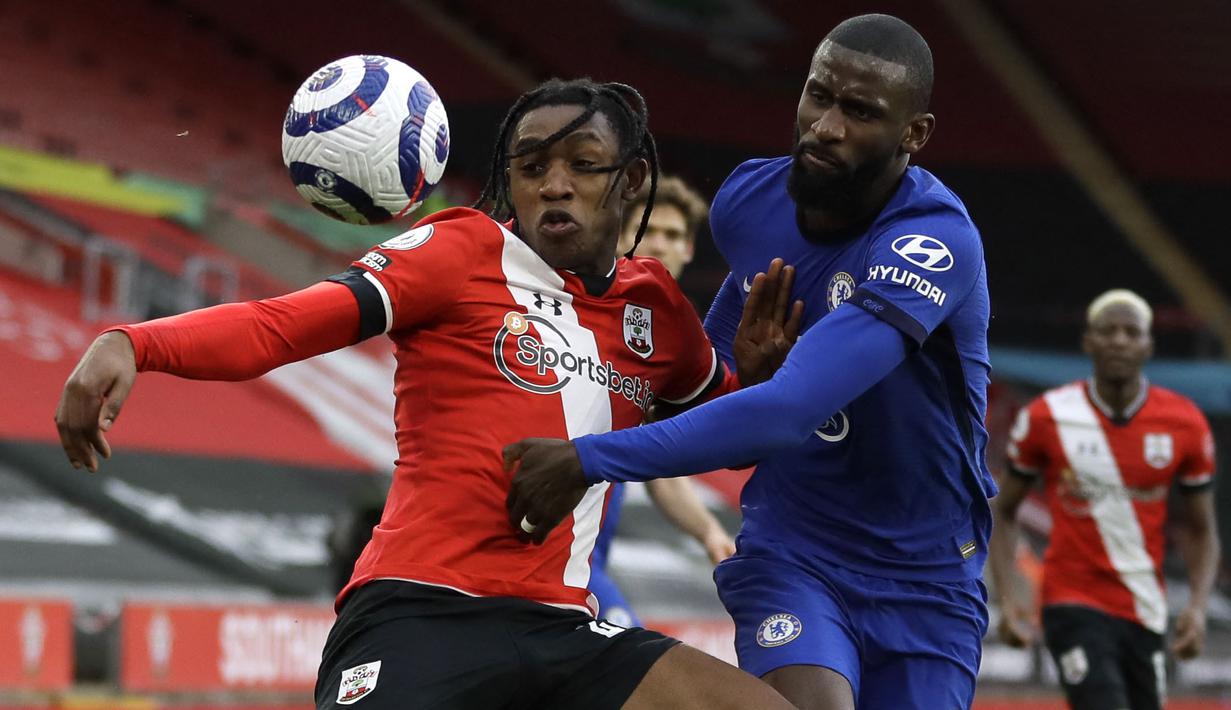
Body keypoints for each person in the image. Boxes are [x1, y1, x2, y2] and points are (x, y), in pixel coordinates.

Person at [55, 78, 800, 710]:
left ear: (632, 180)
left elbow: (710, 426)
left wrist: (760, 382)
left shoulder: (656, 310)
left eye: (582, 163)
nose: (554, 183)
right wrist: (136, 342)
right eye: (531, 165)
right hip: (421, 612)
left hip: (564, 631)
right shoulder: (461, 250)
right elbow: (284, 325)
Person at [505, 14, 994, 710]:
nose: (825, 126)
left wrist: (589, 457)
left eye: (859, 112)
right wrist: (744, 376)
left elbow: (789, 412)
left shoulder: (932, 245)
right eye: (817, 95)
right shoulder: (747, 202)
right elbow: (724, 397)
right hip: (795, 546)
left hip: (927, 575)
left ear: (913, 135)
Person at [988, 289, 1219, 710]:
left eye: (1131, 332)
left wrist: (1199, 607)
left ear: (1148, 344)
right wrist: (1010, 598)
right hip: (1071, 603)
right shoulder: (1047, 416)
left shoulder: (1184, 424)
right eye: (1107, 331)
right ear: (1088, 342)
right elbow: (1004, 511)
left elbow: (1203, 529)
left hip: (1145, 607)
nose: (1118, 340)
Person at [593, 176, 735, 626]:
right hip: (539, 551)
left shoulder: (676, 343)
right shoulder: (577, 307)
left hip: (585, 560)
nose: (659, 243)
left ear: (689, 249)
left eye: (673, 235)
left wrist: (710, 532)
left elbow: (661, 467)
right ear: (620, 238)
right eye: (648, 230)